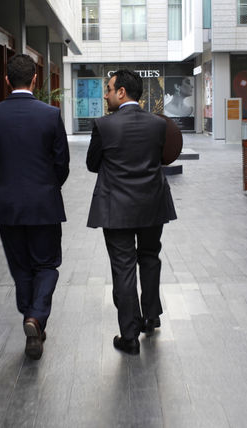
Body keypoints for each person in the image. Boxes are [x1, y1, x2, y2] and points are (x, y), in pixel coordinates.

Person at [0, 54, 70, 360]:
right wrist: (48, 187)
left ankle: (31, 319)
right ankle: (36, 317)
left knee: (21, 268)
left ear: (6, 80)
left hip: (9, 206)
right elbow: (62, 163)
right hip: (44, 205)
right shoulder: (50, 115)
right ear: (35, 79)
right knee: (47, 264)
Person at [86, 69, 177, 355]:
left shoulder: (104, 125)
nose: (106, 94)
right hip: (152, 203)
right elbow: (161, 158)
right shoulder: (158, 124)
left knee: (123, 268)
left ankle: (129, 336)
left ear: (121, 92)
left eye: (109, 89)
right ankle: (151, 316)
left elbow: (92, 164)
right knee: (150, 257)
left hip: (117, 208)